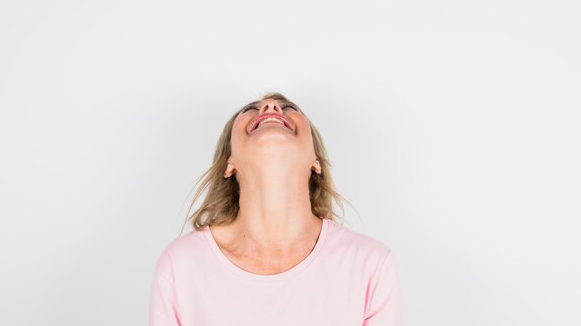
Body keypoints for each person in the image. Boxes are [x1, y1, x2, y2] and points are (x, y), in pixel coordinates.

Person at [148, 92, 403, 326]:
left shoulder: (371, 266)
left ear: (316, 161)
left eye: (289, 107)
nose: (271, 107)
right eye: (250, 109)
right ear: (229, 164)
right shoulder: (180, 267)